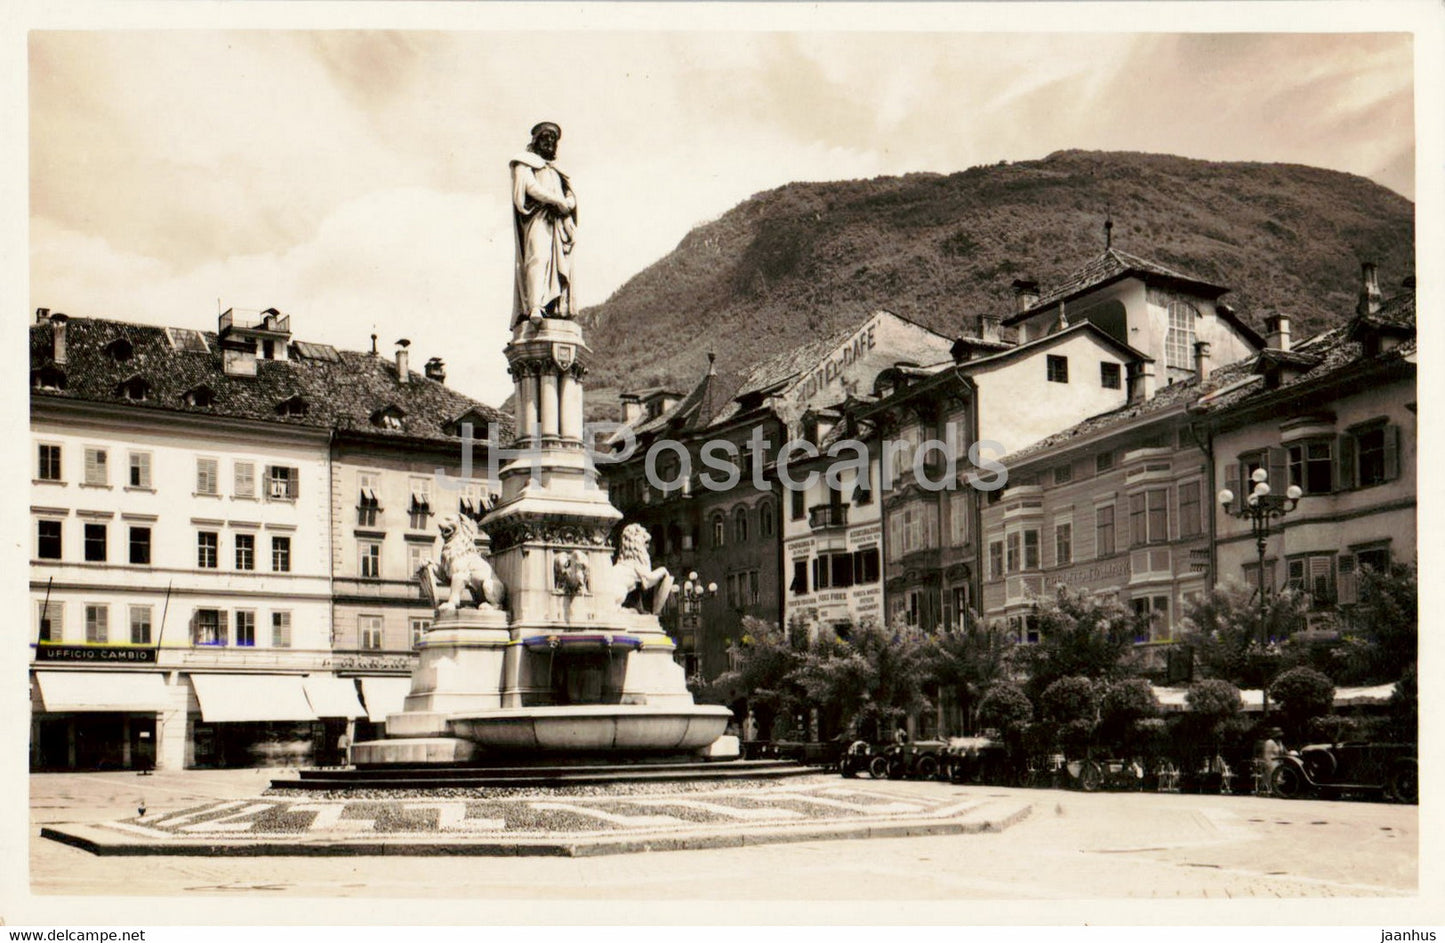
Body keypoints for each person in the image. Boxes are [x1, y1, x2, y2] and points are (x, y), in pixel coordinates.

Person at [510, 121, 578, 328]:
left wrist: (568, 202)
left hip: (558, 222)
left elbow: (569, 193)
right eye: (545, 138)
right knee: (537, 258)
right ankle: (535, 306)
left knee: (558, 264)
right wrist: (554, 200)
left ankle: (556, 306)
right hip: (538, 217)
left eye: (553, 139)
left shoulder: (557, 171)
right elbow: (529, 187)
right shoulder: (524, 162)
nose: (550, 142)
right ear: (536, 140)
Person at [1259, 727, 1285, 796]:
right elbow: (1266, 755)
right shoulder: (1269, 742)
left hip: (1279, 763)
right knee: (1274, 779)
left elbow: (1284, 752)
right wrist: (1267, 765)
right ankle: (1272, 790)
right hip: (1272, 763)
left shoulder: (1279, 743)